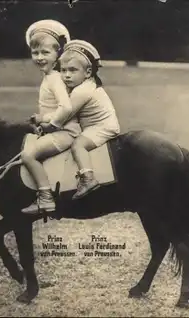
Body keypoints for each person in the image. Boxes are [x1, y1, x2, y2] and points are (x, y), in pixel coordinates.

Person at [37, 40, 121, 200]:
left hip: (102, 127)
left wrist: (45, 123)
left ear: (88, 72)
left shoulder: (81, 92)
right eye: (63, 70)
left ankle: (88, 178)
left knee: (78, 145)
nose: (66, 75)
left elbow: (63, 116)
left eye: (73, 70)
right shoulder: (85, 85)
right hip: (94, 125)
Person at [19, 20, 82, 215]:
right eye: (35, 52)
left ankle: (45, 197)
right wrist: (41, 118)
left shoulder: (54, 78)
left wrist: (51, 125)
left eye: (45, 52)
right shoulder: (50, 76)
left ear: (58, 54)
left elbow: (66, 107)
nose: (39, 57)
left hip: (66, 132)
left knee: (27, 155)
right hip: (60, 129)